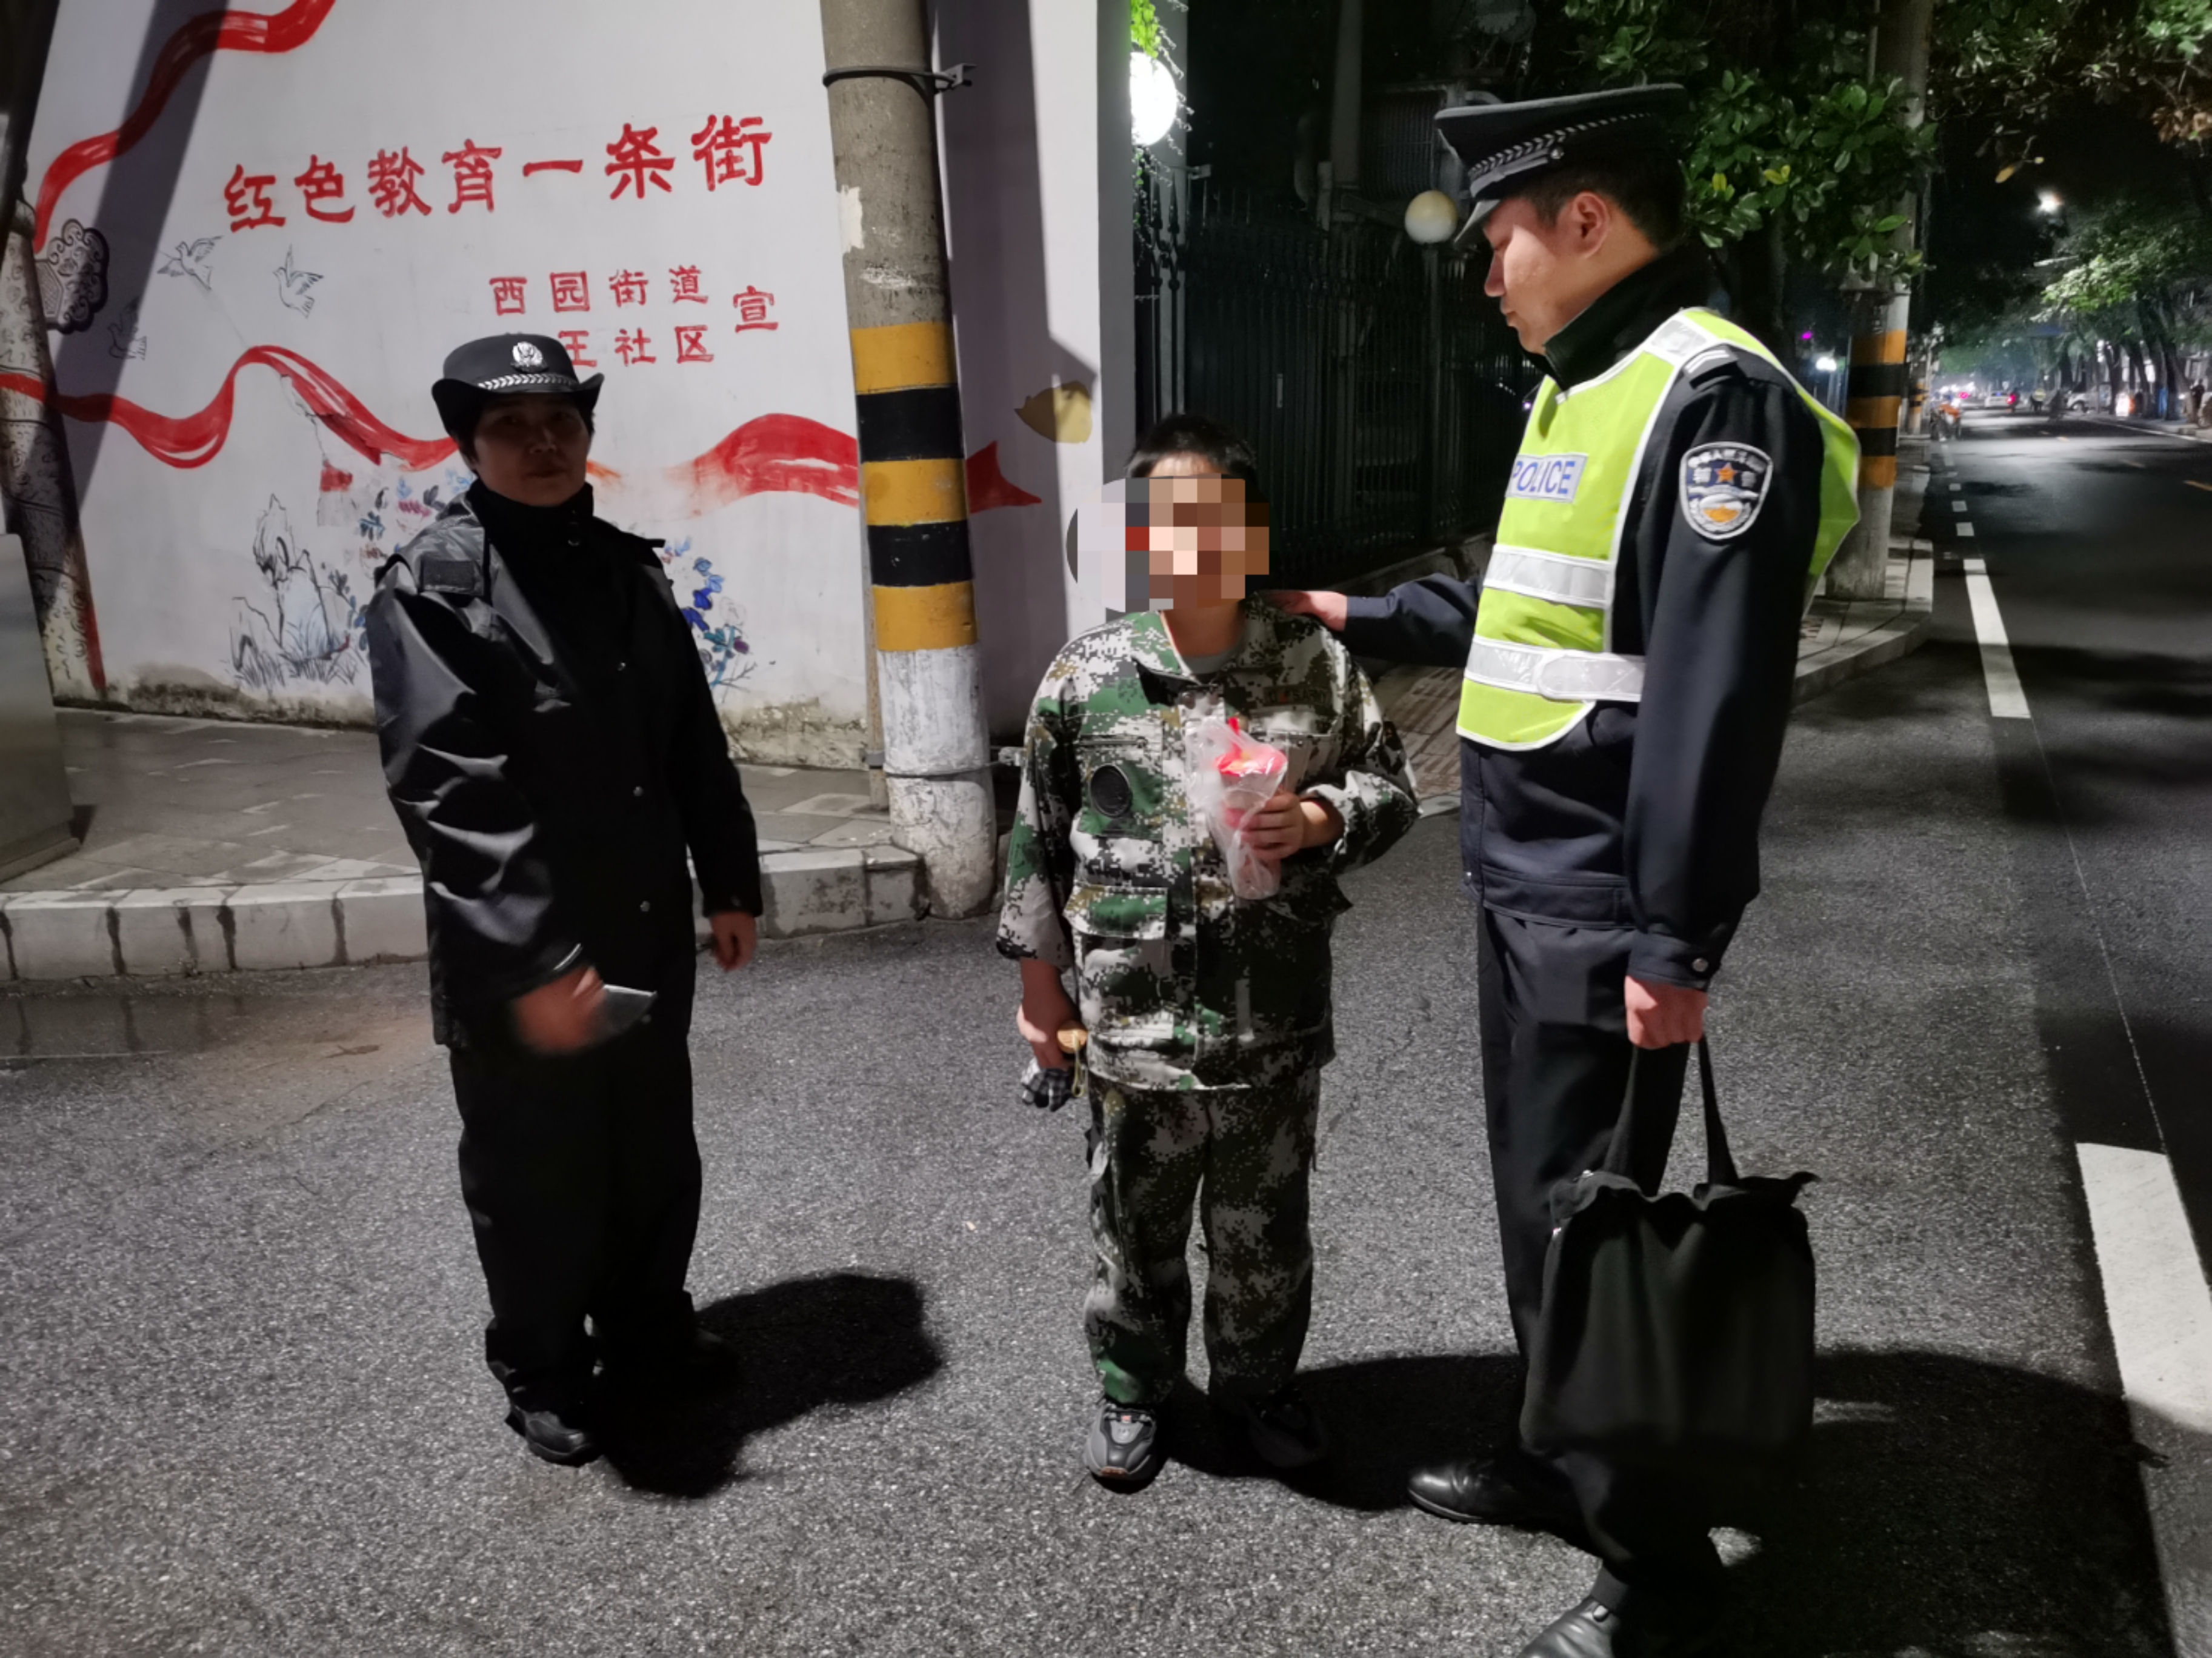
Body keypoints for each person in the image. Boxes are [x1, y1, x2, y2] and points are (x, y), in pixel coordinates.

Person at [1276, 86, 1860, 1658]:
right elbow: (1516, 601)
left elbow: (1712, 702)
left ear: (1586, 222)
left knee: (1585, 1228)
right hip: (1524, 876)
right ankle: (1557, 1453)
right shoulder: (1584, 384)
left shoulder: (1708, 400)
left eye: (1502, 241)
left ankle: (1655, 1572)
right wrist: (1343, 613)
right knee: (1542, 1202)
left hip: (1600, 903)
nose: (1486, 275)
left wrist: (1675, 942)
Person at [364, 333, 763, 1468]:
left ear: (586, 436)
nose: (541, 445)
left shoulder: (627, 568)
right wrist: (541, 963)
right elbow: (451, 795)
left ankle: (647, 1331)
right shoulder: (434, 588)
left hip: (642, 924)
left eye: (560, 424)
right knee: (537, 1168)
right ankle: (542, 1366)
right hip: (521, 958)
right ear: (468, 445)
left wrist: (727, 882)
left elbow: (690, 741)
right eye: (511, 428)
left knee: (650, 1147)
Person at [998, 414, 1418, 1490]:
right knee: (1131, 1225)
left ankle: (1259, 1388)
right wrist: (1042, 998)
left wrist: (1319, 818)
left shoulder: (1312, 665)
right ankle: (1134, 1388)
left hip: (1269, 1018)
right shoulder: (1088, 677)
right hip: (1130, 1024)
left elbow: (1391, 786)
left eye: (1213, 517)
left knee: (1265, 1228)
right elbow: (1037, 844)